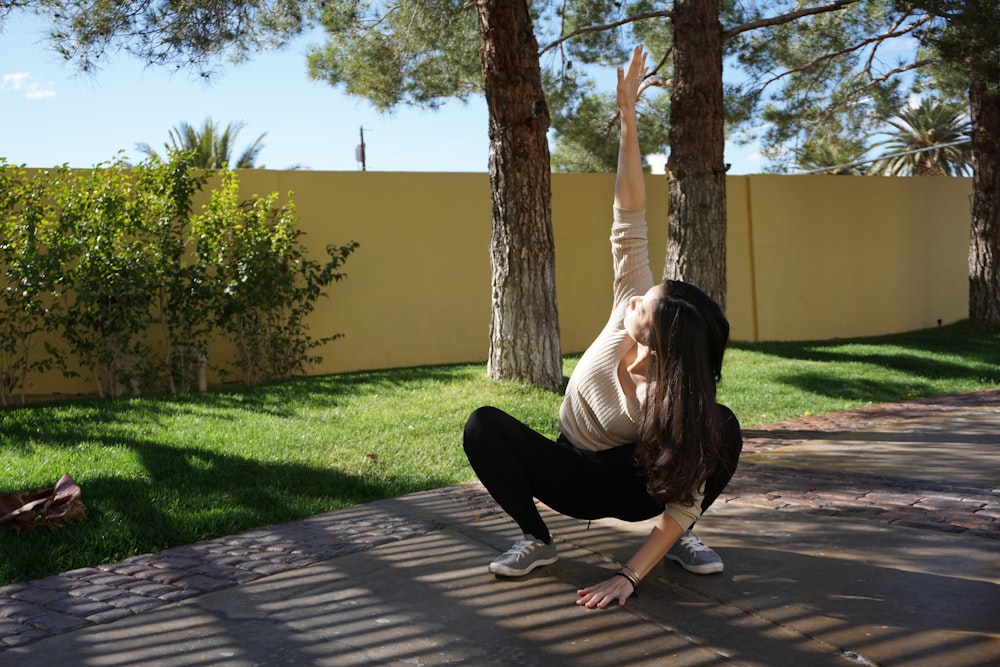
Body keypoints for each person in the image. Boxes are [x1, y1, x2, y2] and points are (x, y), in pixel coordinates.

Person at [462, 45, 743, 609]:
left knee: (725, 429)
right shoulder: (627, 306)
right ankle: (535, 540)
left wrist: (629, 577)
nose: (636, 296)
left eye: (645, 304)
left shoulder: (675, 396)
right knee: (482, 425)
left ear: (656, 337)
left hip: (636, 486)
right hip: (572, 471)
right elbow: (629, 221)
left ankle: (675, 544)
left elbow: (684, 496)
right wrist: (629, 125)